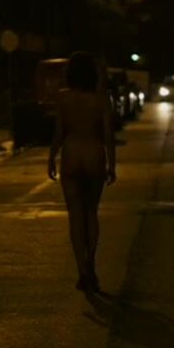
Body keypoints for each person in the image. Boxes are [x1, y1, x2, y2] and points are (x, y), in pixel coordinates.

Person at [48, 52, 117, 292]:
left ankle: (82, 271)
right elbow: (108, 135)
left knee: (75, 217)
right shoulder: (101, 99)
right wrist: (112, 165)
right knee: (91, 213)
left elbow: (60, 132)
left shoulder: (63, 97)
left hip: (71, 156)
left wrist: (51, 157)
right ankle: (91, 263)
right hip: (94, 156)